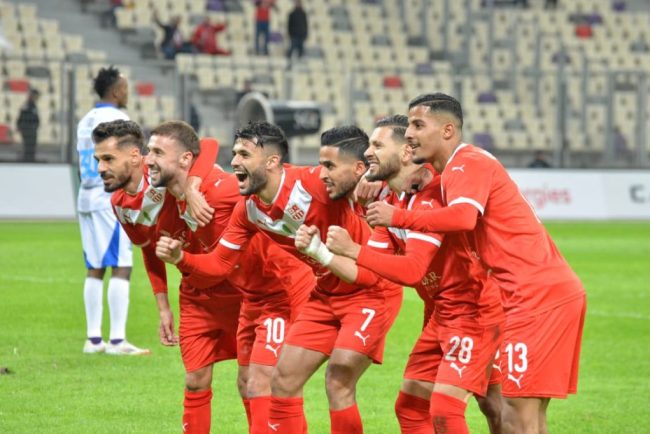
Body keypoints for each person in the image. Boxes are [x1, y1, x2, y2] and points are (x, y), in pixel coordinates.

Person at [156, 122, 403, 434]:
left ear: (272, 161)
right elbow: (220, 264)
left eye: (244, 154)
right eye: (235, 154)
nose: (234, 162)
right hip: (326, 292)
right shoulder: (249, 210)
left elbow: (358, 173)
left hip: (371, 290)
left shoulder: (313, 183)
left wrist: (367, 176)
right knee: (282, 381)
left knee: (338, 381)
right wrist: (182, 259)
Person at [367, 93, 586, 434]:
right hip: (527, 295)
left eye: (418, 125)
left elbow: (463, 217)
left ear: (447, 130)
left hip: (535, 296)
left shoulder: (466, 163)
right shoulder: (453, 171)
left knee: (516, 417)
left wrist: (398, 216)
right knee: (526, 417)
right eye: (409, 125)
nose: (409, 133)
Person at [301, 115, 505, 434]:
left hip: (475, 310)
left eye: (377, 145)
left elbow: (412, 270)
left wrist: (353, 249)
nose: (368, 152)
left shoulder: (429, 197)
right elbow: (371, 272)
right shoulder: (394, 202)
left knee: (454, 408)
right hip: (442, 312)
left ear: (407, 152)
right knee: (415, 406)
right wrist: (322, 253)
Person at [76, 66, 148, 355]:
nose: (128, 92)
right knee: (122, 264)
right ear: (117, 91)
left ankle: (94, 339)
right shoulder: (119, 121)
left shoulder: (85, 121)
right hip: (109, 197)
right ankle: (117, 341)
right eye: (126, 87)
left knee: (94, 267)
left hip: (85, 195)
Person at [16, 88, 40, 162]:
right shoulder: (27, 105)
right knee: (28, 145)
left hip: (32, 129)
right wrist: (21, 126)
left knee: (31, 145)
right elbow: (22, 116)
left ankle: (30, 159)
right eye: (36, 96)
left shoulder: (33, 105)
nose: (37, 98)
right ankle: (28, 160)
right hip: (28, 129)